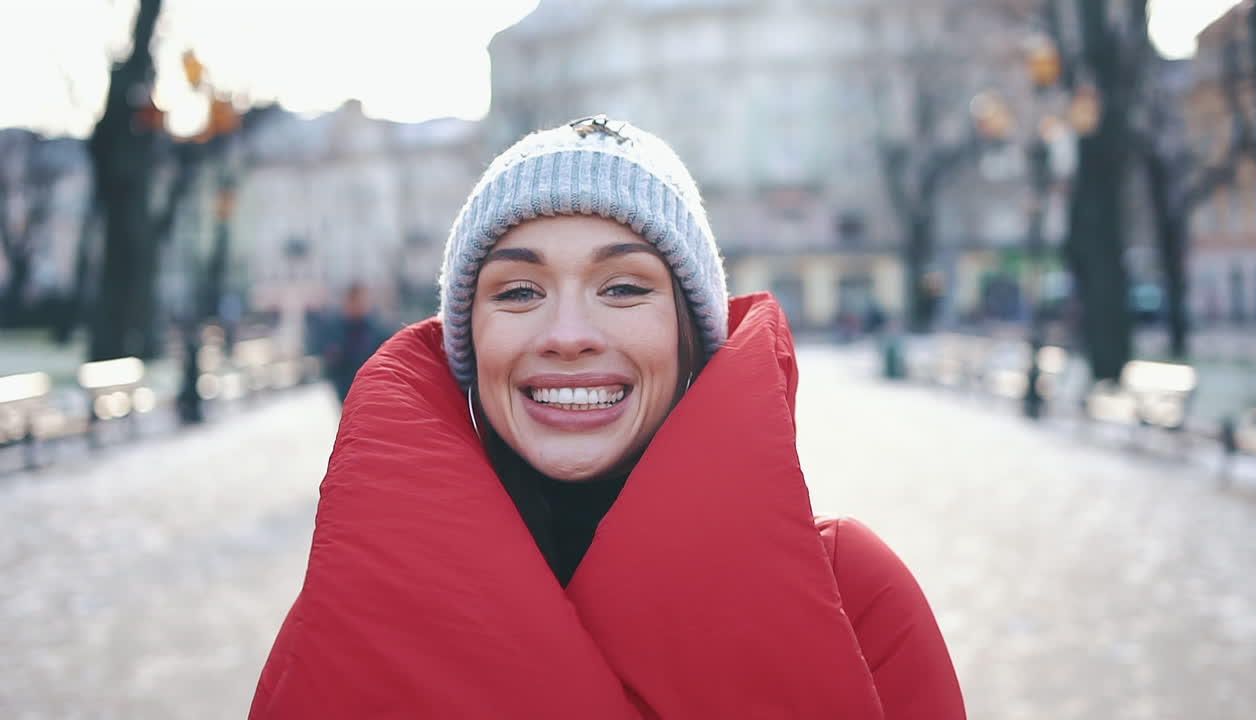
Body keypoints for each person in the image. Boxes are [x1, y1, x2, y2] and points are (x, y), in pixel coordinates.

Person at [249, 116, 966, 719]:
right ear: (470, 341)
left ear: (691, 336)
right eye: (519, 291)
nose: (567, 334)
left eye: (623, 287)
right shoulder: (350, 611)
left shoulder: (852, 595)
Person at [320, 283, 391, 404]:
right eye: (355, 301)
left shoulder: (377, 329)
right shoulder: (335, 329)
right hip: (347, 390)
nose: (358, 305)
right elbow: (329, 359)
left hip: (373, 390)